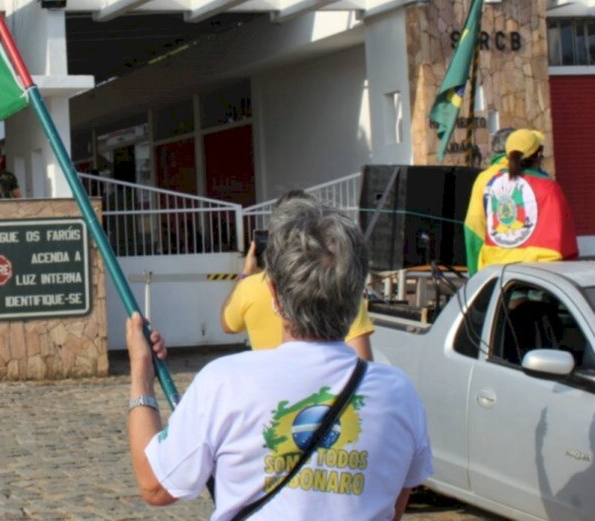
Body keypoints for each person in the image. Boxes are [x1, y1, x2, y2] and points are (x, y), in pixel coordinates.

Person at [127, 198, 432, 520]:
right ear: (356, 295)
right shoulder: (399, 393)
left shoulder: (225, 382)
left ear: (274, 294)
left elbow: (155, 485)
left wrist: (141, 374)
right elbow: (394, 505)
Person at [221, 192, 374, 360]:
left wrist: (245, 274)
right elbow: (363, 359)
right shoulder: (340, 284)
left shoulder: (249, 287)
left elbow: (227, 325)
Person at [476, 128, 578, 270]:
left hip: (496, 268)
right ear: (538, 155)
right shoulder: (548, 187)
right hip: (537, 271)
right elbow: (563, 235)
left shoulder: (491, 182)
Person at [463, 126, 516, 276]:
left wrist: (475, 276)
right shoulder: (537, 177)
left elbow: (473, 230)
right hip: (534, 271)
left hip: (496, 271)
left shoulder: (484, 180)